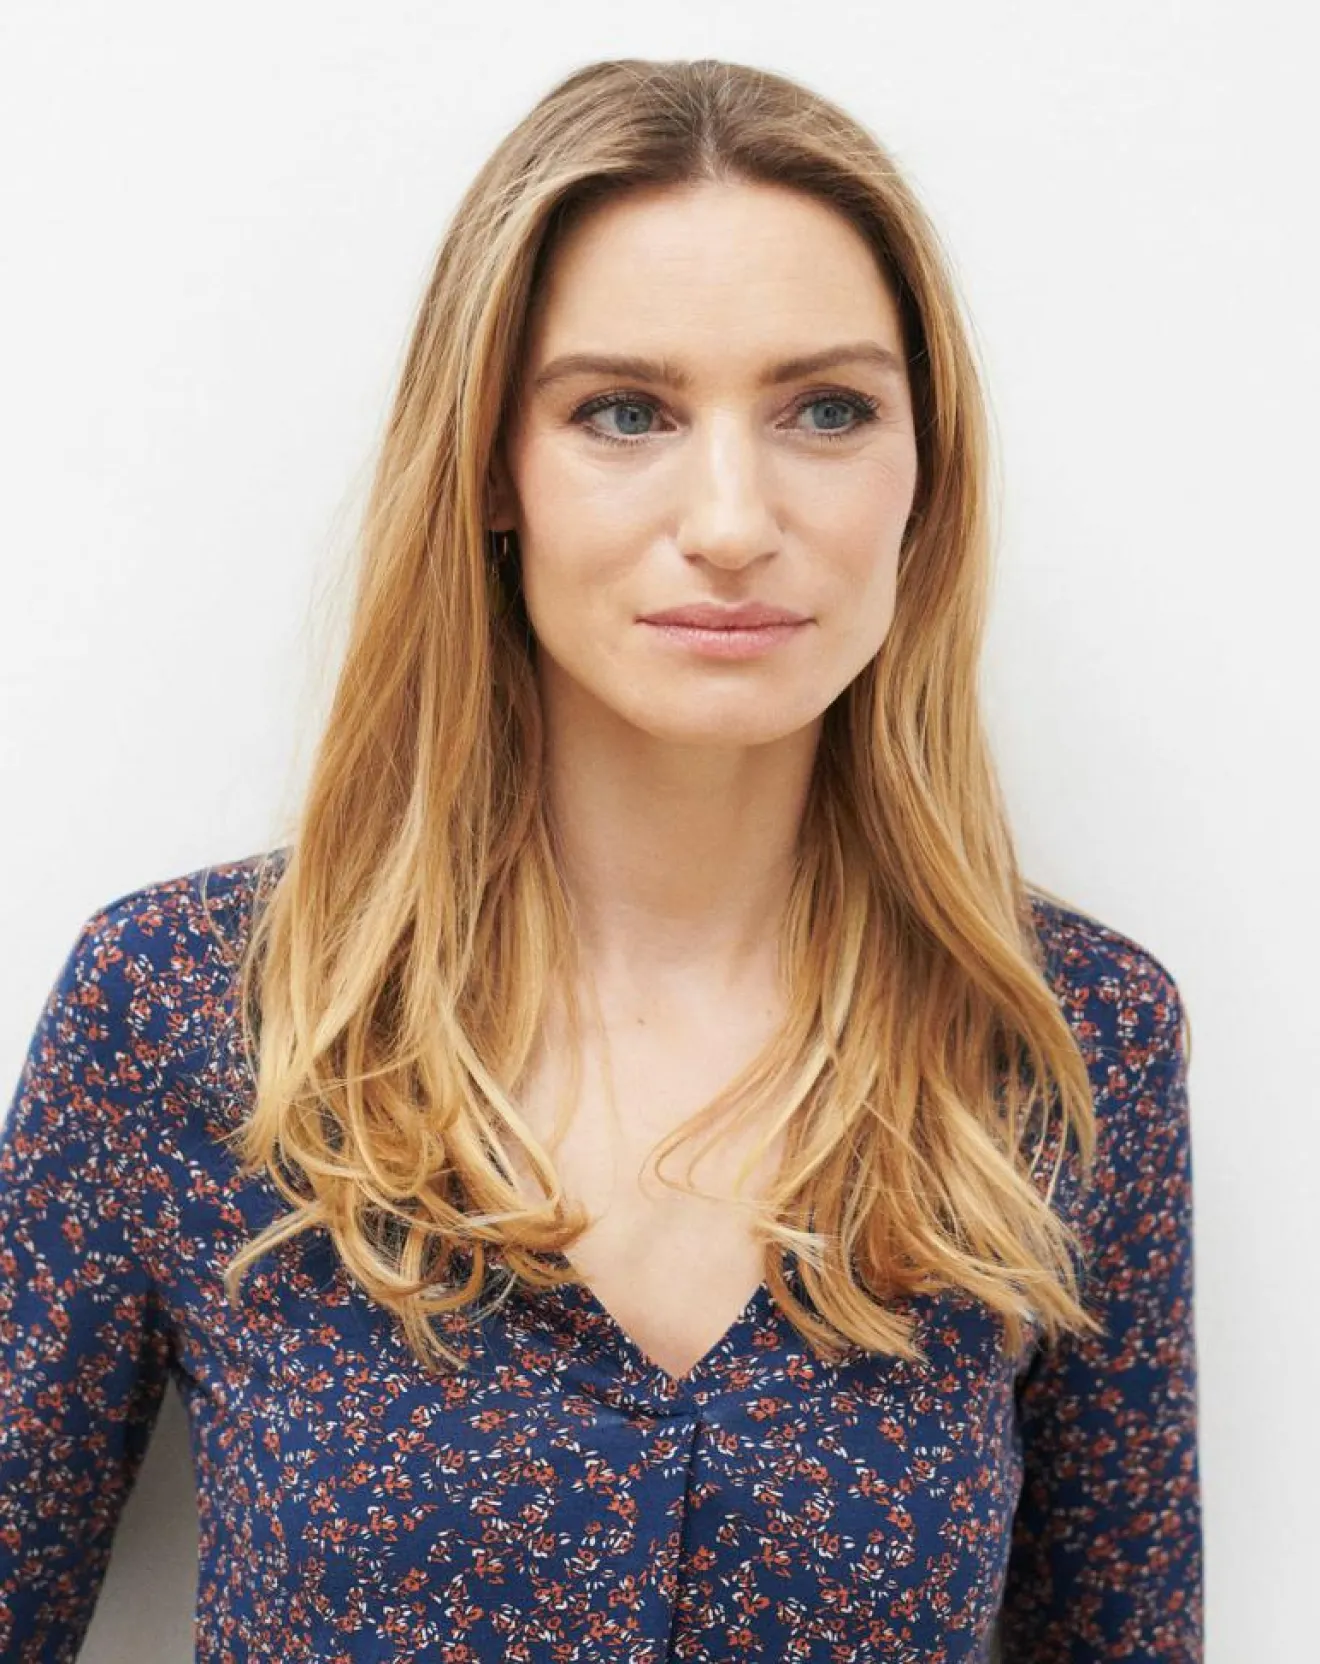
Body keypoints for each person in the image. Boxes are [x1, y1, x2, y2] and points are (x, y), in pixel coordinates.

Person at [0, 56, 1202, 1662]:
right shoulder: (184, 1011)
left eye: (827, 411)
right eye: (623, 413)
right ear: (494, 466)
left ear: (927, 473)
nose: (732, 519)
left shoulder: (1067, 1038)